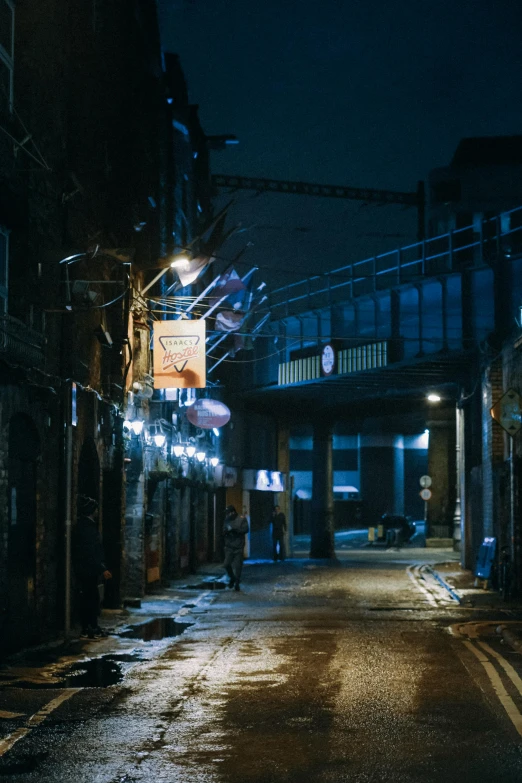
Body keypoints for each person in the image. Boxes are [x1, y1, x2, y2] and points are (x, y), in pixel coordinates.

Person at [72, 495, 112, 639]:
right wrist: (102, 568)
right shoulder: (87, 528)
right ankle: (90, 627)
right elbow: (90, 551)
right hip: (88, 570)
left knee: (90, 598)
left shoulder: (84, 525)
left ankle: (90, 627)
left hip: (86, 569)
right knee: (91, 599)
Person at [223, 504, 249, 591]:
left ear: (233, 512)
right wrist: (226, 532)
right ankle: (232, 578)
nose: (227, 515)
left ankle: (237, 583)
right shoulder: (227, 520)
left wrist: (234, 530)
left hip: (238, 546)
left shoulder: (241, 519)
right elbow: (223, 530)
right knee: (226, 564)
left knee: (238, 566)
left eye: (228, 513)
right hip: (229, 546)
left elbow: (246, 529)